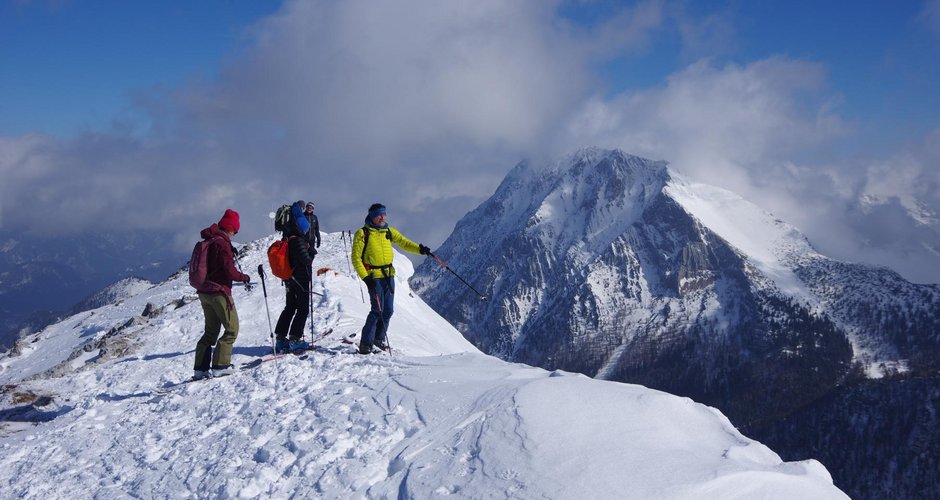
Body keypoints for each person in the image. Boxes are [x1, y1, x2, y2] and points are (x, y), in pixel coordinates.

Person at [351, 203, 430, 354]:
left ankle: (378, 340)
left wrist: (420, 249)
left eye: (384, 214)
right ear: (372, 217)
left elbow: (404, 243)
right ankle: (365, 344)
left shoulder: (388, 231)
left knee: (388, 311)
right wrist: (366, 278)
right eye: (378, 215)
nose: (382, 217)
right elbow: (356, 259)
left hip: (388, 276)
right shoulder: (362, 234)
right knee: (376, 311)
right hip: (374, 277)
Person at [193, 209, 251, 379]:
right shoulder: (222, 244)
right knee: (232, 328)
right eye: (235, 230)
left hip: (204, 291)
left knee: (210, 331)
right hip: (219, 292)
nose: (235, 234)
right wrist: (244, 277)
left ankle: (200, 369)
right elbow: (229, 271)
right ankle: (220, 365)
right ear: (231, 228)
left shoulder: (211, 239)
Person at [274, 201, 317, 352]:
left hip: (289, 279)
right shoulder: (298, 240)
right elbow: (306, 260)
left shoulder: (288, 239)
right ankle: (295, 339)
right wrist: (311, 251)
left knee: (290, 307)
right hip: (301, 279)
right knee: (303, 309)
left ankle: (280, 339)